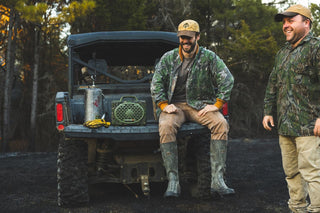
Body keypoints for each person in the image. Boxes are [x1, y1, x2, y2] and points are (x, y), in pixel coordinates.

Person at [151, 19, 234, 198]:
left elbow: (227, 79)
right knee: (165, 126)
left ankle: (217, 180)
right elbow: (156, 83)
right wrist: (164, 105)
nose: (185, 41)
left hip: (199, 105)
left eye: (189, 37)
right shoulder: (169, 58)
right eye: (182, 37)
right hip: (175, 106)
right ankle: (173, 180)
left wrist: (217, 104)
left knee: (220, 123)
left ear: (197, 37)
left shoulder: (209, 57)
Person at [262, 4, 320, 213]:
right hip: (285, 126)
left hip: (309, 125)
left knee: (312, 174)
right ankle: (297, 209)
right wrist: (268, 111)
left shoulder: (316, 47)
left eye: (290, 20)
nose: (286, 25)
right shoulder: (283, 52)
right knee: (292, 173)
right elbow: (273, 83)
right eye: (284, 22)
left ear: (306, 23)